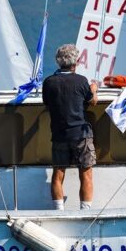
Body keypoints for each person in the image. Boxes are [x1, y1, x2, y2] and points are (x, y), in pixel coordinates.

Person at [42, 44, 98, 210]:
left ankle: (59, 211)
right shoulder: (81, 81)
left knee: (58, 174)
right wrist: (94, 90)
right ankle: (85, 212)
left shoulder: (49, 82)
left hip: (59, 134)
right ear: (76, 62)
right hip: (81, 134)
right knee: (86, 174)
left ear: (58, 61)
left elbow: (47, 102)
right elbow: (93, 101)